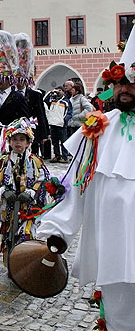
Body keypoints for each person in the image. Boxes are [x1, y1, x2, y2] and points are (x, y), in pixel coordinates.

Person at [35, 27, 135, 330]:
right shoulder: (97, 129)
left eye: (130, 82)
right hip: (114, 248)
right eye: (117, 83)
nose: (123, 89)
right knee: (120, 319)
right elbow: (75, 187)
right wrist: (57, 232)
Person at [0, 118, 52, 264]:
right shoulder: (4, 161)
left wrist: (30, 192)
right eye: (15, 139)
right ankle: (11, 262)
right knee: (9, 235)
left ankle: (25, 263)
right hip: (10, 208)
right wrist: (3, 191)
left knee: (26, 234)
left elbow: (43, 180)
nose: (18, 143)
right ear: (9, 142)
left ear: (28, 142)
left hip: (28, 209)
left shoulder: (35, 162)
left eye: (22, 139)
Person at [0, 30, 29, 160]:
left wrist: (23, 139)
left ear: (9, 79)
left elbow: (24, 118)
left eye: (1, 78)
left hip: (13, 139)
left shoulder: (18, 96)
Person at [14, 33, 50, 156]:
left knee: (31, 157)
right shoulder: (11, 94)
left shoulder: (35, 95)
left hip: (32, 132)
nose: (18, 82)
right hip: (14, 133)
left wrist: (45, 134)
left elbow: (41, 114)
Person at [43, 88, 71, 163]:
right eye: (57, 90)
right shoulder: (53, 100)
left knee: (63, 141)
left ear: (63, 92)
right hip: (53, 124)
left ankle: (64, 157)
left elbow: (69, 112)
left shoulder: (66, 101)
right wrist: (50, 92)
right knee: (55, 142)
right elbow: (45, 101)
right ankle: (57, 155)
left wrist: (64, 120)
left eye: (60, 90)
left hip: (61, 125)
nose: (58, 92)